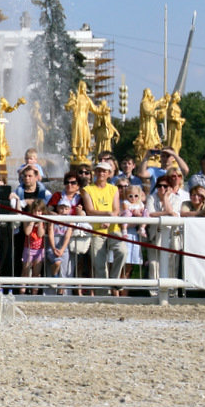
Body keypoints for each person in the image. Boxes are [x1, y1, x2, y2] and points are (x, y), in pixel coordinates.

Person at [80, 161, 125, 296]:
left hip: (113, 229)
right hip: (96, 230)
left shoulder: (113, 189)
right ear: (95, 172)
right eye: (99, 171)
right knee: (99, 265)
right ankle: (102, 295)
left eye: (104, 171)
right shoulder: (87, 189)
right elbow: (90, 210)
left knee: (122, 251)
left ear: (109, 174)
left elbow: (116, 209)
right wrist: (106, 215)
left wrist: (109, 218)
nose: (101, 173)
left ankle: (114, 280)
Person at [65, 80, 96, 164]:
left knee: (86, 136)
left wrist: (104, 111)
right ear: (80, 88)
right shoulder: (76, 97)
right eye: (83, 87)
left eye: (85, 87)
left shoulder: (87, 99)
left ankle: (83, 154)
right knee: (79, 135)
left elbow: (94, 109)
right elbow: (67, 107)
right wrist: (70, 103)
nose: (84, 89)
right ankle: (78, 154)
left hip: (84, 120)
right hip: (78, 119)